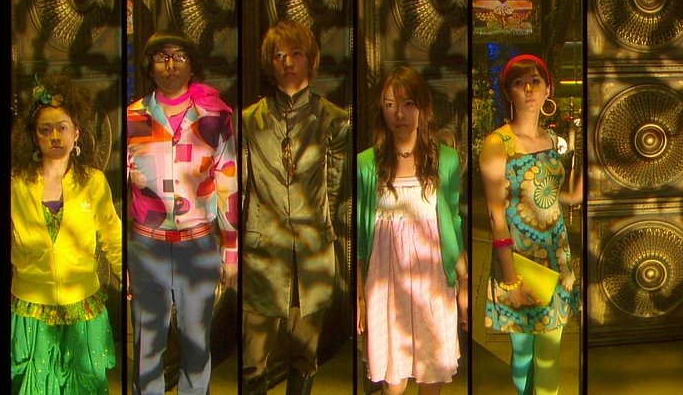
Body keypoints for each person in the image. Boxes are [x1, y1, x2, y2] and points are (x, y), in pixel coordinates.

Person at [126, 28, 239, 394]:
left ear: (192, 65)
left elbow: (228, 183)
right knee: (147, 346)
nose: (171, 64)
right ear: (150, 66)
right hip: (147, 246)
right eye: (162, 57)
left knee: (196, 344)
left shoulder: (214, 116)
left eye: (180, 56)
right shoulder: (132, 117)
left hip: (198, 246)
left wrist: (231, 251)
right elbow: (120, 191)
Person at [241, 20, 350, 395]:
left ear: (312, 60)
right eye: (279, 55)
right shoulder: (249, 121)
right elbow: (241, 189)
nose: (287, 62)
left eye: (296, 54)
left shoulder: (334, 120)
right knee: (252, 360)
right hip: (263, 255)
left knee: (306, 355)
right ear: (269, 63)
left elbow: (335, 189)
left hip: (312, 254)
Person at [356, 66, 468, 395]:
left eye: (408, 103)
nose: (399, 114)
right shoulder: (367, 163)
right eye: (390, 105)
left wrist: (463, 282)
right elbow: (361, 236)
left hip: (432, 279)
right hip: (385, 279)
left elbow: (452, 222)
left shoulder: (445, 160)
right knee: (393, 380)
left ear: (422, 107)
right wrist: (359, 293)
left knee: (432, 376)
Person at [10, 74, 123, 394]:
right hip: (31, 307)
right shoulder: (17, 183)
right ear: (34, 137)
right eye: (45, 130)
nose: (54, 136)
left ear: (77, 134)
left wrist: (126, 274)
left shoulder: (94, 181)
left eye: (62, 127)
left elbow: (111, 233)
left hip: (82, 305)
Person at [479, 54, 582, 395]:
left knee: (549, 355)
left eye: (535, 81)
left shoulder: (553, 141)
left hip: (556, 259)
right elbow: (496, 216)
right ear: (508, 92)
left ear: (548, 88)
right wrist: (510, 280)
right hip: (519, 262)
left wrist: (580, 184)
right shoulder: (497, 144)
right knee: (522, 354)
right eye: (519, 82)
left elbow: (555, 196)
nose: (528, 89)